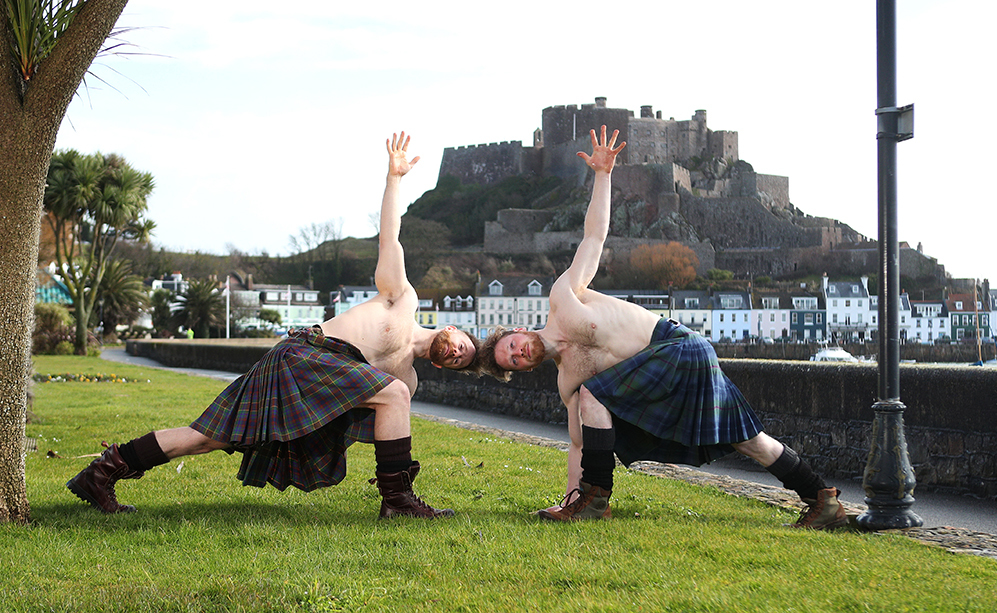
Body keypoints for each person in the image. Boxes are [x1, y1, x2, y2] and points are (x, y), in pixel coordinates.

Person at [67, 132, 480, 519]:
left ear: (447, 365)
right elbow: (390, 239)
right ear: (453, 329)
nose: (460, 352)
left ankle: (102, 473)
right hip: (304, 355)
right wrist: (393, 180)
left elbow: (365, 421)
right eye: (465, 344)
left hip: (312, 384)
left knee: (207, 436)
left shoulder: (405, 381)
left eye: (462, 361)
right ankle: (399, 502)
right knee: (392, 394)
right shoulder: (403, 300)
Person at [476, 126, 847, 530]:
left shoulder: (564, 296)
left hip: (679, 348)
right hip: (672, 374)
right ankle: (822, 500)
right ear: (524, 369)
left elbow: (594, 238)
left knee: (593, 397)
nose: (517, 353)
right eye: (513, 361)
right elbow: (579, 445)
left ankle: (596, 501)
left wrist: (603, 176)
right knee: (748, 440)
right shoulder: (569, 383)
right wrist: (566, 498)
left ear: (517, 331)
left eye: (511, 344)